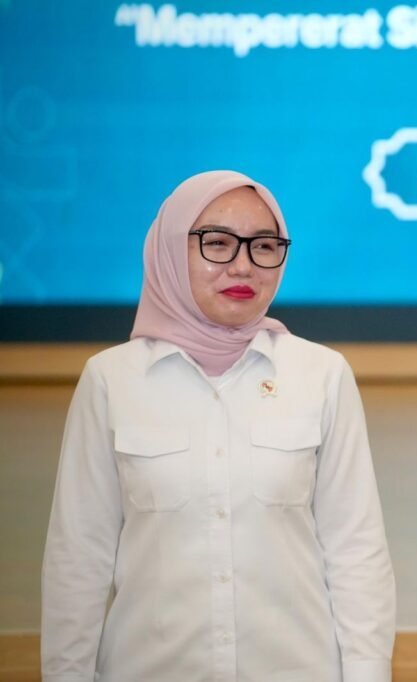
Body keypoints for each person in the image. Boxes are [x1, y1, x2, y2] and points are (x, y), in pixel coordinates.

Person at [42, 170, 396, 681]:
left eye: (264, 246)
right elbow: (79, 559)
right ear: (170, 250)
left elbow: (356, 551)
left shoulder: (321, 374)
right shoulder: (110, 381)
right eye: (217, 243)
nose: (243, 265)